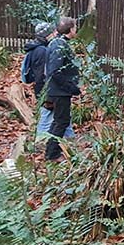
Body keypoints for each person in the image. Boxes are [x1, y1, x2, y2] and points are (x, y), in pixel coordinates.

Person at [44, 17, 80, 161]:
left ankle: (51, 151)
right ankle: (52, 154)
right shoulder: (59, 45)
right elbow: (55, 71)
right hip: (59, 91)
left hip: (58, 90)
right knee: (61, 121)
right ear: (70, 29)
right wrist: (71, 87)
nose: (76, 30)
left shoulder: (59, 43)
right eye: (75, 27)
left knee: (59, 121)